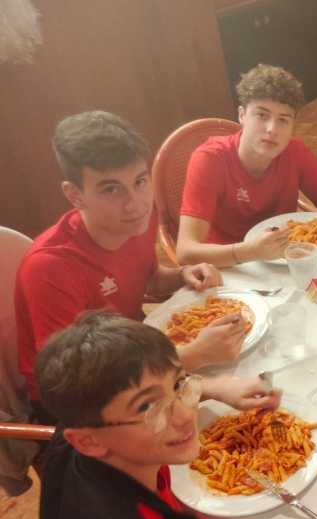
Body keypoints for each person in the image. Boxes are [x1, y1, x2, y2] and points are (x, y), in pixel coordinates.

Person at [36, 311, 317, 519]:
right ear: (87, 441)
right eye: (147, 407)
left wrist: (216, 387)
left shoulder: (80, 430)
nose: (185, 416)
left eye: (179, 384)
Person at [14, 111, 244, 418]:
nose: (135, 203)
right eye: (111, 189)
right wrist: (192, 357)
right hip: (80, 403)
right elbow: (76, 385)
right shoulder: (49, 268)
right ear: (75, 195)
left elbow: (149, 280)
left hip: (137, 354)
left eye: (140, 181)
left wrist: (183, 274)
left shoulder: (136, 220)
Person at [177, 64, 317, 267]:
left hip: (283, 263)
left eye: (283, 120)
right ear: (242, 115)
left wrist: (312, 237)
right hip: (227, 268)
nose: (272, 129)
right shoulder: (210, 159)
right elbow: (185, 252)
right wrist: (251, 252)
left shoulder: (294, 152)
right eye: (262, 115)